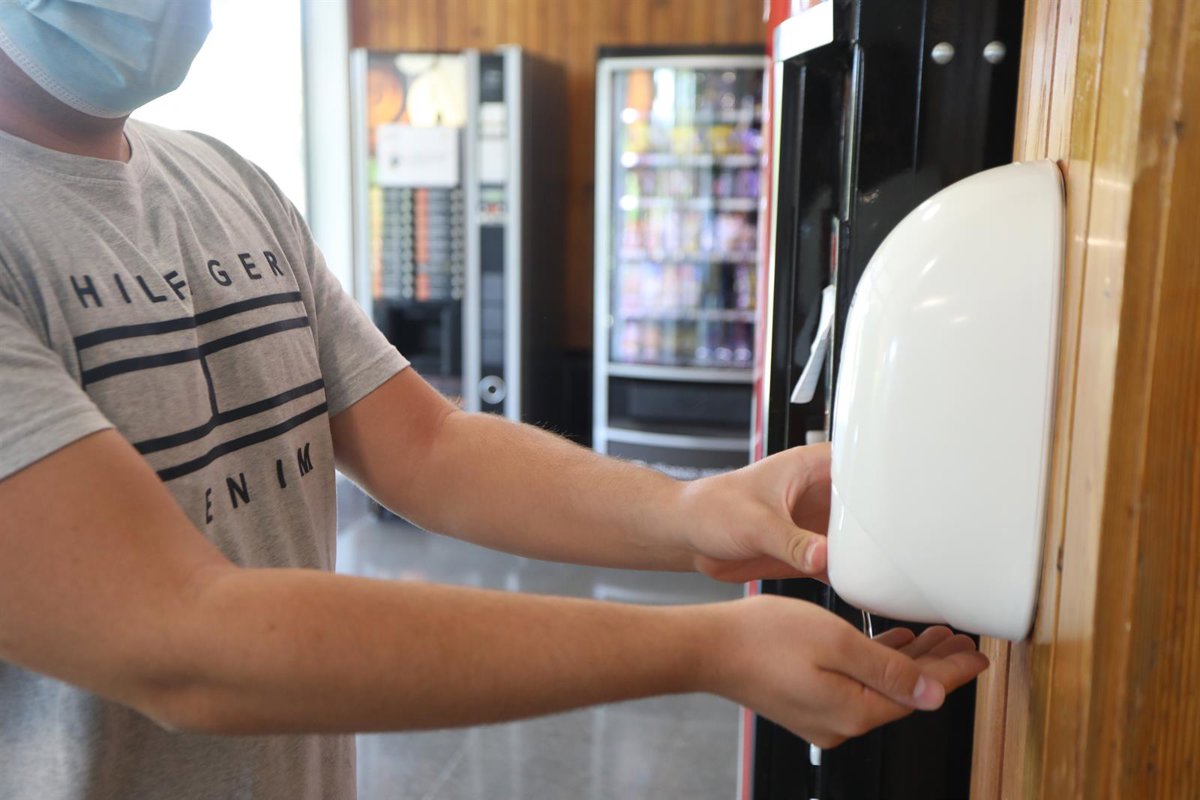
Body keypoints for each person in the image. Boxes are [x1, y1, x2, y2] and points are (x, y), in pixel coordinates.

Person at [0, 2, 988, 798]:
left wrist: (690, 513)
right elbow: (185, 640)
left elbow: (427, 446)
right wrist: (705, 647)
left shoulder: (224, 180)